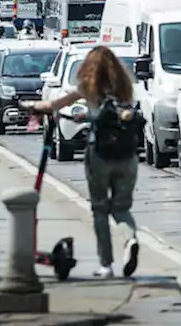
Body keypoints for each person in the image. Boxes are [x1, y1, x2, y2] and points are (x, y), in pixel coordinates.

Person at [29, 47, 142, 278]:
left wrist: (32, 107)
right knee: (121, 208)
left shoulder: (87, 89)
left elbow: (53, 106)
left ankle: (106, 264)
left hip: (99, 154)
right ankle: (130, 240)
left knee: (99, 208)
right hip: (127, 155)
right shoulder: (125, 88)